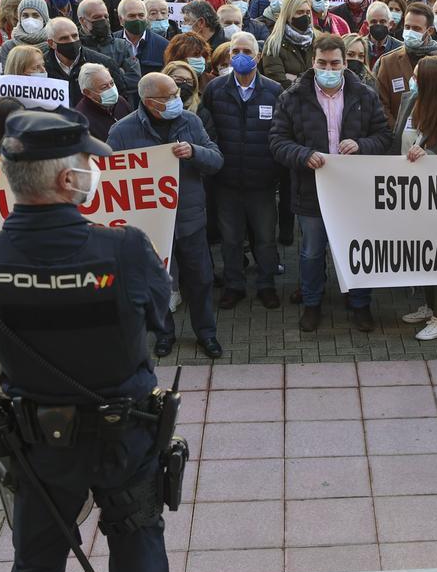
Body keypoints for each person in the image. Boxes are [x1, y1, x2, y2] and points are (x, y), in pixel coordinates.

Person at [0, 107, 170, 572]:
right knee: (136, 539)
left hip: (39, 442)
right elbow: (161, 320)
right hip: (125, 434)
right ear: (69, 179)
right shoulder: (123, 247)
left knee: (36, 559)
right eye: (86, 164)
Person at [269, 35, 393, 332]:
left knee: (358, 249)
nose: (329, 68)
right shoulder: (292, 97)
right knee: (312, 251)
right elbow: (277, 141)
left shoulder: (364, 95)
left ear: (344, 63)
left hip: (355, 193)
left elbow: (384, 136)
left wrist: (362, 145)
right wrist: (303, 154)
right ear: (313, 62)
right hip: (311, 191)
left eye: (335, 63)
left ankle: (360, 303)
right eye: (322, 63)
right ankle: (312, 304)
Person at [108, 72, 224, 359]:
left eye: (176, 93)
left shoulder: (191, 121)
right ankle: (163, 334)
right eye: (169, 96)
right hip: (151, 226)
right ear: (149, 101)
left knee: (200, 280)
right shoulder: (122, 132)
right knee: (156, 283)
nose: (177, 99)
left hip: (190, 219)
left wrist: (195, 152)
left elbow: (217, 160)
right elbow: (111, 177)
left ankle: (206, 334)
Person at [203, 32, 283, 310]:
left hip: (261, 182)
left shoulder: (274, 92)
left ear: (258, 56)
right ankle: (234, 286)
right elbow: (208, 132)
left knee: (264, 239)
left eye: (246, 51)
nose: (240, 56)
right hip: (227, 182)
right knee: (231, 239)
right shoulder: (215, 90)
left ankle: (266, 285)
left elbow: (280, 134)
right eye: (235, 51)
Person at [394, 57, 437, 341]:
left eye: (416, 76)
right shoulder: (412, 101)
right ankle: (429, 305)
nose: (412, 80)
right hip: (412, 194)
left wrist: (428, 156)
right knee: (422, 254)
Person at [375, 2, 437, 127]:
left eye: (416, 29)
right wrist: (397, 133)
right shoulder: (388, 62)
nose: (410, 32)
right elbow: (381, 105)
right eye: (407, 27)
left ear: (429, 31)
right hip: (397, 138)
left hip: (434, 138)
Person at [43, 17, 128, 106]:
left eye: (75, 36)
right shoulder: (42, 67)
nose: (72, 41)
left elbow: (120, 99)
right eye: (64, 38)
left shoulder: (102, 63)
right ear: (51, 43)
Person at [78, 0, 141, 104]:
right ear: (83, 20)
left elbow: (134, 79)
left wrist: (103, 86)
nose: (103, 21)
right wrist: (119, 72)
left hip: (120, 105)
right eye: (97, 17)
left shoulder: (122, 46)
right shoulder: (78, 48)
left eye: (106, 17)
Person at [261, 0, 313, 89]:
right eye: (299, 12)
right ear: (288, 15)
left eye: (307, 12)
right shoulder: (274, 44)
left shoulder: (317, 41)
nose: (305, 16)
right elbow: (278, 82)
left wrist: (296, 79)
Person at [74, 61, 131, 140]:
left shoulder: (121, 101)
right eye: (104, 87)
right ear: (87, 92)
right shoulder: (82, 121)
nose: (111, 89)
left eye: (112, 83)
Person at [115, 0, 167, 76]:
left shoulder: (164, 45)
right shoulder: (112, 42)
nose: (137, 19)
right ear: (121, 19)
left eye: (141, 15)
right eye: (132, 16)